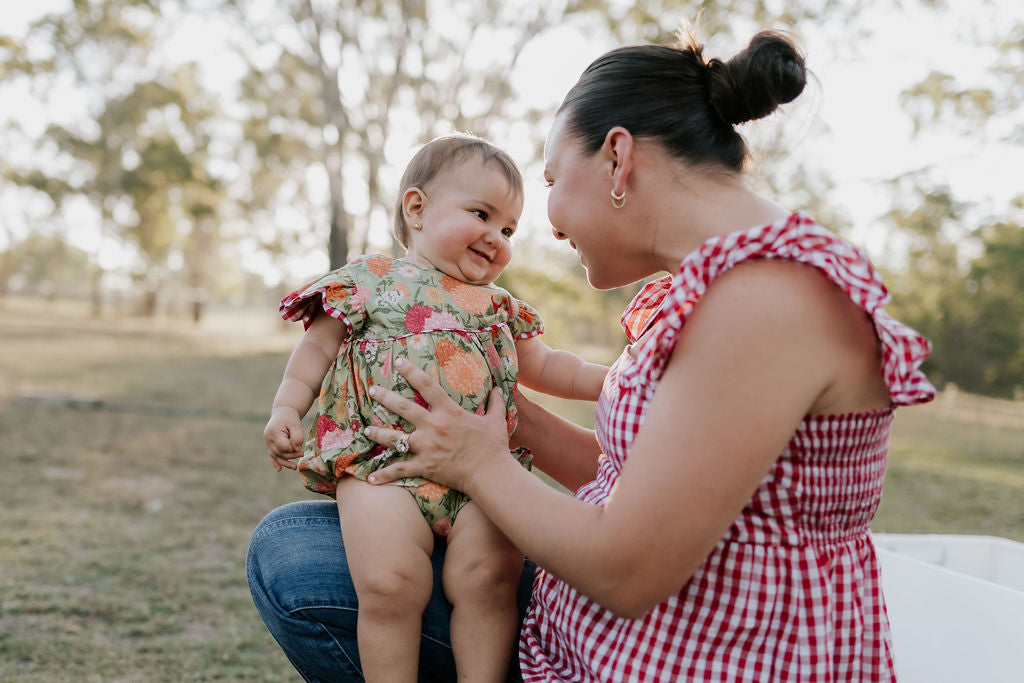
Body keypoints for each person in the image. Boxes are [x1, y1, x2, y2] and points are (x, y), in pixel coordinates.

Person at [248, 27, 935, 682]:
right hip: (584, 632)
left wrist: (479, 462)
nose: (545, 224)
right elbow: (636, 479)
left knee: (296, 560)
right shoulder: (715, 284)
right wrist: (491, 414)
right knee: (308, 542)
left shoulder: (770, 300)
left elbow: (627, 570)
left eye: (549, 183)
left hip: (683, 657)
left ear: (618, 157)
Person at [261, 133, 607, 682]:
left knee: (490, 582)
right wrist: (286, 408)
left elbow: (549, 366)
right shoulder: (369, 281)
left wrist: (610, 382)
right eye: (482, 214)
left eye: (509, 229)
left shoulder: (497, 306)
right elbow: (316, 349)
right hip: (383, 471)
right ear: (417, 208)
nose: (496, 237)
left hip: (481, 481)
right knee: (389, 584)